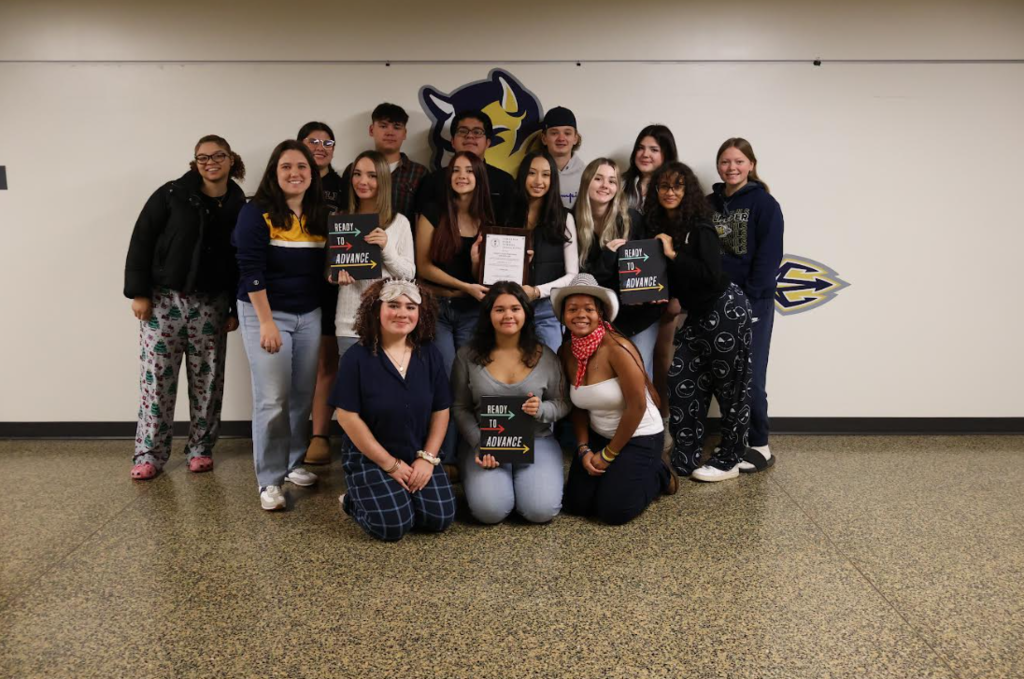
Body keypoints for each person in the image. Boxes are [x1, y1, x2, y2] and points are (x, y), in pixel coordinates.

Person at [124, 135, 246, 480]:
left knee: (207, 379)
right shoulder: (171, 194)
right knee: (156, 379)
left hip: (212, 303)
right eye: (203, 157)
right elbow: (142, 238)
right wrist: (139, 292)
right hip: (163, 300)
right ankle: (149, 453)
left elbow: (240, 259)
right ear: (195, 162)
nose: (211, 162)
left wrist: (235, 309)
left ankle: (200, 449)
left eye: (218, 155)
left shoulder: (239, 202)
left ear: (230, 159)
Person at [233, 140, 328, 510]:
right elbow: (250, 269)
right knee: (272, 399)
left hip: (309, 314)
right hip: (265, 314)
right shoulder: (255, 212)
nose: (295, 173)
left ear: (312, 173)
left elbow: (324, 269)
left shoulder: (321, 214)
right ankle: (269, 481)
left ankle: (292, 464)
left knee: (302, 395)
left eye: (302, 167)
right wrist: (267, 322)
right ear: (275, 172)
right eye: (286, 166)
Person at [648, 162, 754, 482]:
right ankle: (686, 453)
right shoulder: (661, 226)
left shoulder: (701, 225)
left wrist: (672, 254)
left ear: (687, 190)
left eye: (677, 186)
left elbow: (709, 275)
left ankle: (731, 457)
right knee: (682, 381)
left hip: (725, 311)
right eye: (664, 186)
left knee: (730, 389)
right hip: (696, 315)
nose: (670, 192)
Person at [330, 279, 455, 541]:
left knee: (439, 518)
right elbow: (346, 416)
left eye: (411, 307)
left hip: (417, 452)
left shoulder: (430, 354)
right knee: (392, 527)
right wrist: (390, 465)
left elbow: (441, 409)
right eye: (394, 305)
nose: (402, 313)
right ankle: (353, 501)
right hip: (372, 457)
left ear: (421, 313)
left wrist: (427, 458)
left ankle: (397, 498)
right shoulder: (356, 358)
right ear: (376, 309)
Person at [553, 274, 676, 525]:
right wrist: (584, 448)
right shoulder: (566, 351)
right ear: (563, 315)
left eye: (589, 309)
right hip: (600, 434)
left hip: (638, 434)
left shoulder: (618, 348)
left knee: (614, 511)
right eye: (572, 309)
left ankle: (660, 473)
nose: (580, 315)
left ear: (601, 314)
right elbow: (578, 407)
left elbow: (638, 406)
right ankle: (620, 475)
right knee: (576, 505)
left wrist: (608, 455)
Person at [451, 283, 569, 524]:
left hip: (537, 440)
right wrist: (479, 443)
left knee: (540, 511)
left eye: (515, 308)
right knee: (489, 511)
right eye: (499, 309)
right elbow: (460, 407)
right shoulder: (467, 356)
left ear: (526, 312)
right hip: (486, 442)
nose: (508, 316)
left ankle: (527, 485)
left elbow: (563, 403)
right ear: (488, 314)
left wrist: (542, 410)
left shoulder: (546, 356)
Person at [708, 138, 783, 473]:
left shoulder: (766, 205)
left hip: (753, 303)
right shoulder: (709, 203)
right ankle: (733, 439)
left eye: (738, 161)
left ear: (751, 164)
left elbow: (768, 259)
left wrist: (749, 303)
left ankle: (759, 444)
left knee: (750, 376)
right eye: (725, 161)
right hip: (715, 302)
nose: (731, 168)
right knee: (724, 377)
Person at [415, 151, 494, 462]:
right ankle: (443, 455)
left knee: (471, 381)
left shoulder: (486, 218)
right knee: (446, 379)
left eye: (469, 171)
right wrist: (463, 286)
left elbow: (484, 278)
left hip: (472, 312)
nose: (462, 175)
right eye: (456, 170)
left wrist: (476, 264)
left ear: (479, 177)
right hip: (438, 309)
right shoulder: (433, 211)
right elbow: (422, 266)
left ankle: (471, 451)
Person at [573, 158, 662, 377]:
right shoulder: (571, 221)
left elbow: (650, 263)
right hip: (599, 317)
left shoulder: (631, 219)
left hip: (639, 313)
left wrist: (654, 290)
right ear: (586, 182)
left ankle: (645, 413)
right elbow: (581, 280)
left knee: (639, 374)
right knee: (605, 378)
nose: (605, 185)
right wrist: (608, 255)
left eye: (612, 181)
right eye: (599, 179)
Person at [334, 150, 416, 365]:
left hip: (390, 324)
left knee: (386, 394)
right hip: (349, 323)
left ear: (383, 180)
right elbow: (329, 270)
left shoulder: (400, 223)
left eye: (372, 175)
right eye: (357, 174)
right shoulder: (340, 219)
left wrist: (386, 247)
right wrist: (336, 277)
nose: (363, 181)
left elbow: (409, 274)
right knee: (350, 395)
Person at [298, 121, 344, 466]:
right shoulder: (289, 181)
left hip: (334, 286)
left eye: (327, 141)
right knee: (295, 362)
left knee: (327, 361)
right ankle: (291, 432)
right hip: (294, 283)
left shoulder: (344, 187)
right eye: (313, 141)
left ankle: (320, 434)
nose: (320, 146)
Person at [502, 151, 579, 351]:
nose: (538, 181)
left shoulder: (564, 219)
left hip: (547, 309)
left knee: (549, 368)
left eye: (546, 175)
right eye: (532, 173)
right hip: (510, 307)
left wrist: (537, 292)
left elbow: (572, 275)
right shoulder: (507, 215)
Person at [414, 110, 515, 219]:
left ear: (488, 143)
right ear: (452, 142)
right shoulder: (433, 180)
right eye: (462, 131)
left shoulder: (505, 182)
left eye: (477, 132)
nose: (470, 136)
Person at [340, 103, 428, 224]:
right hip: (359, 239)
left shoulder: (419, 173)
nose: (390, 132)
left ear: (405, 133)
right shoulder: (354, 170)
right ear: (371, 130)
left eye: (397, 127)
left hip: (402, 240)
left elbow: (422, 219)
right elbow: (345, 211)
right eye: (383, 126)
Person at [622, 125, 678, 213]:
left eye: (654, 150)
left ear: (667, 154)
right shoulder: (619, 184)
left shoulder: (677, 189)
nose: (645, 154)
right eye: (640, 148)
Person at [538, 106, 585, 209]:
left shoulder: (586, 174)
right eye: (554, 133)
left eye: (567, 133)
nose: (561, 138)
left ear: (575, 138)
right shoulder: (532, 171)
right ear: (544, 138)